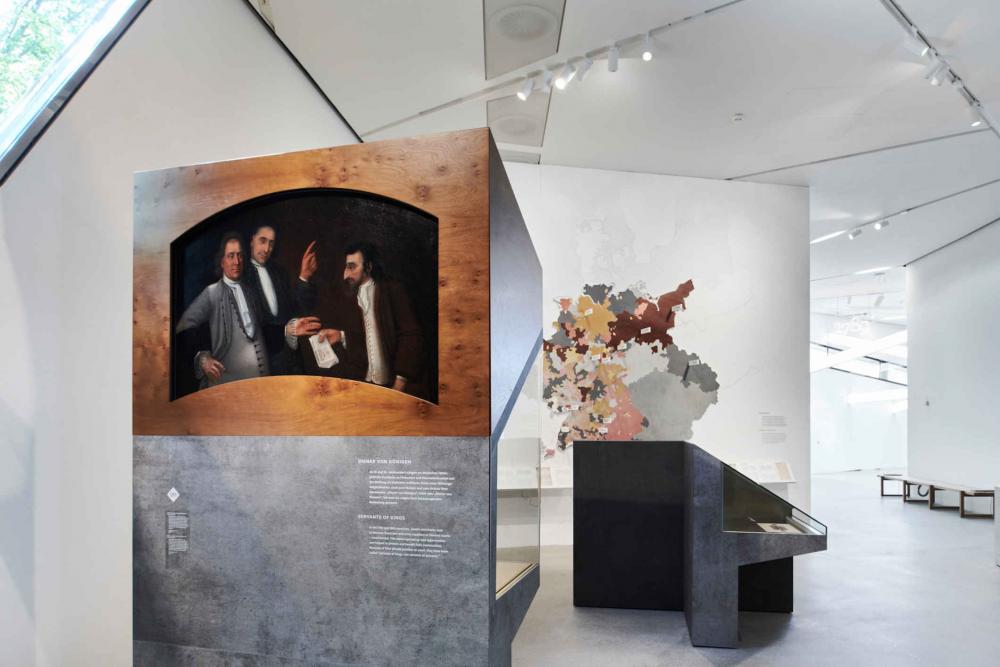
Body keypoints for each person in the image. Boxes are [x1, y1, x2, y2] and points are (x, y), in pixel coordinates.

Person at [175, 232, 319, 389]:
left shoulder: (250, 291)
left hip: (262, 384)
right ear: (221, 261)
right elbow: (183, 328)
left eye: (239, 256)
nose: (236, 261)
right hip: (229, 387)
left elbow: (262, 331)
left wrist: (288, 329)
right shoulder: (211, 293)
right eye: (230, 256)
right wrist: (202, 358)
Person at [316, 241, 424, 395]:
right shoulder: (353, 296)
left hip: (396, 388)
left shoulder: (393, 289)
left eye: (352, 267)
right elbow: (367, 336)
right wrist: (341, 336)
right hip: (367, 386)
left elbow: (411, 336)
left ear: (368, 267)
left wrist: (399, 385)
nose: (345, 274)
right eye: (346, 267)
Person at [241, 225, 320, 374]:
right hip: (262, 364)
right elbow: (248, 329)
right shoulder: (241, 276)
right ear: (252, 240)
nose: (267, 249)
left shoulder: (279, 272)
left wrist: (304, 276)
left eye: (271, 243)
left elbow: (295, 310)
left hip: (290, 361)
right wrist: (285, 330)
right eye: (262, 241)